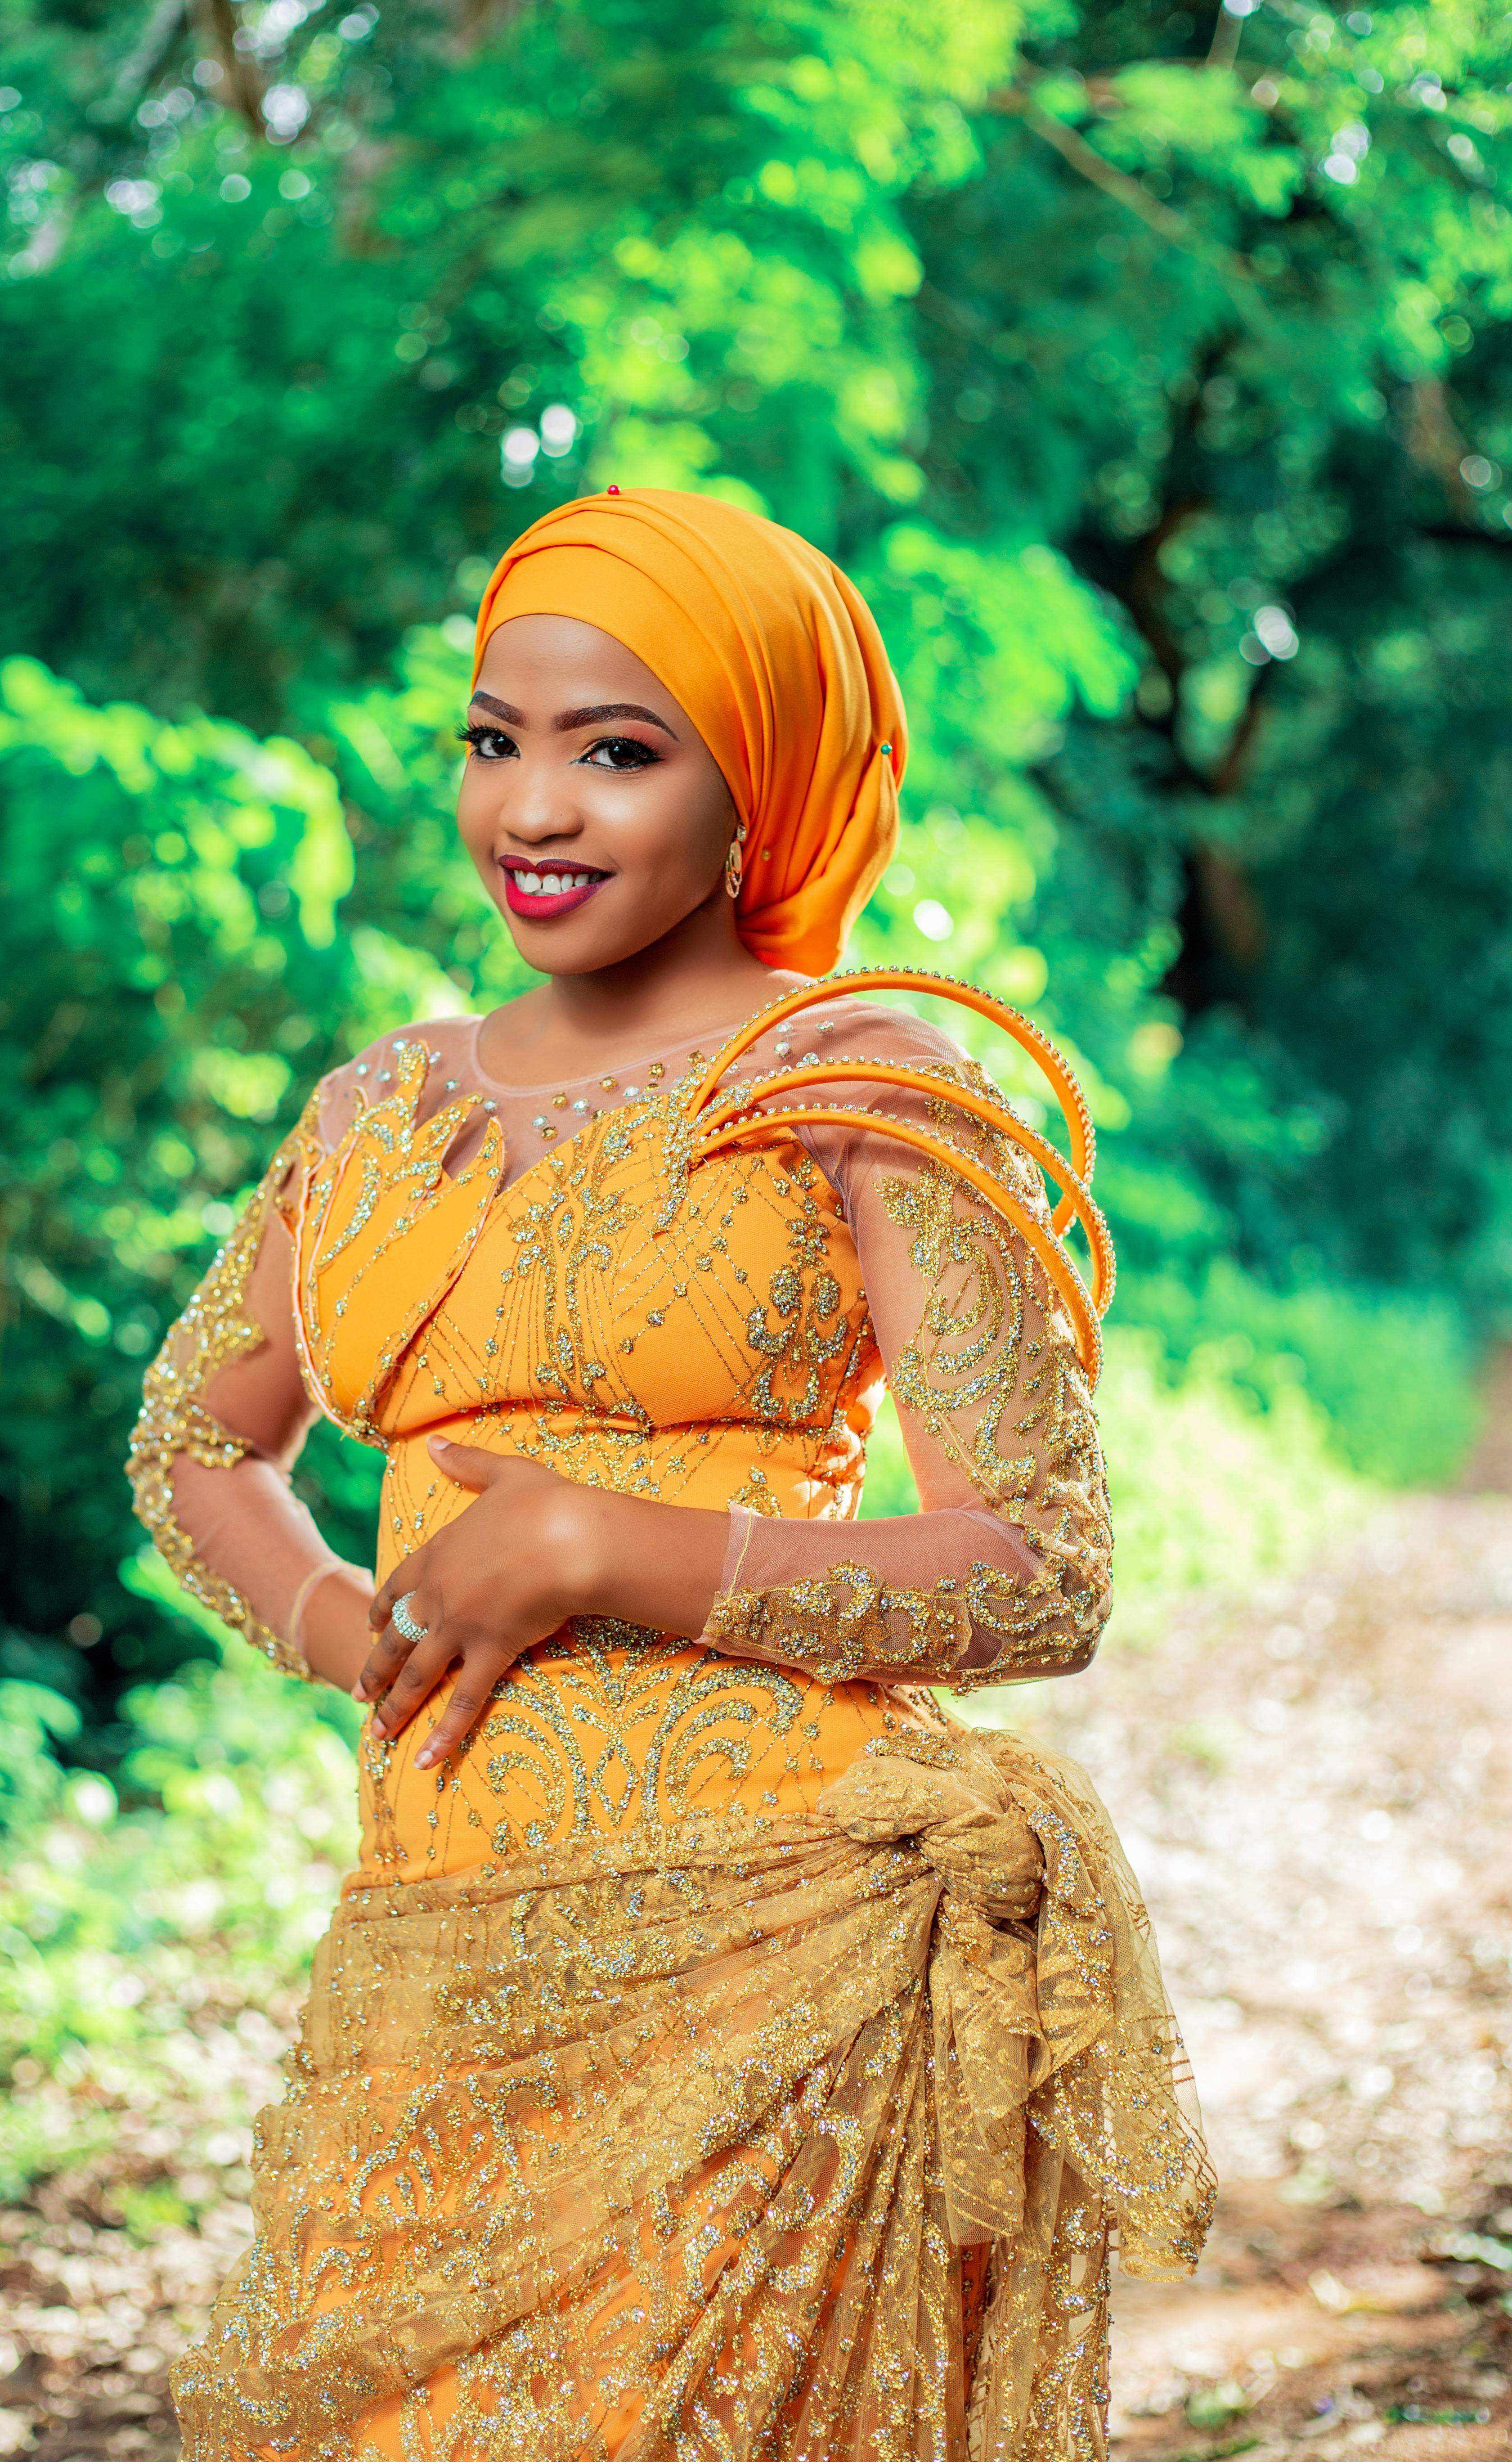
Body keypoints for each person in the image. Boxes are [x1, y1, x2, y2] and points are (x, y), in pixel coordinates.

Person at [129, 487, 1211, 2462]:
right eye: (495, 739)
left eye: (617, 753)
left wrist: (593, 1544)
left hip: (780, 1960)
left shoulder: (866, 1083)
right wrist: (327, 1623)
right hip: (436, 1958)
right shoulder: (382, 1106)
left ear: (763, 791)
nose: (533, 809)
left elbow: (1040, 1571)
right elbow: (197, 1437)